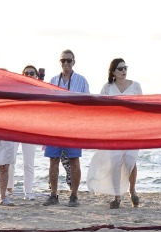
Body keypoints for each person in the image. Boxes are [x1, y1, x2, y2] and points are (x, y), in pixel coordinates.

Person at [89, 58, 143, 209]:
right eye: (120, 69)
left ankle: (132, 191)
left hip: (132, 130)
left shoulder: (135, 86)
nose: (124, 71)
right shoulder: (107, 87)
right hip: (113, 130)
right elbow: (99, 108)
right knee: (115, 163)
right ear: (113, 72)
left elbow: (144, 106)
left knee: (131, 161)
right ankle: (117, 196)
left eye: (125, 68)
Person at [45, 49, 89, 205]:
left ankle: (74, 195)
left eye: (69, 60)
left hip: (73, 127)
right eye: (63, 60)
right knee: (53, 161)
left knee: (74, 161)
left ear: (74, 62)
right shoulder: (52, 81)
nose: (65, 63)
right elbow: (46, 105)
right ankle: (53, 195)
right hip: (54, 127)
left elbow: (88, 105)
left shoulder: (81, 81)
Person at [17, 66, 41, 201]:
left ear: (36, 75)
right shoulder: (17, 90)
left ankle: (28, 192)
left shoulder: (40, 91)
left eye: (32, 73)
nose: (29, 75)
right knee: (10, 161)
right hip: (15, 128)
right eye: (26, 73)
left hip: (30, 130)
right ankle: (8, 190)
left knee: (29, 163)